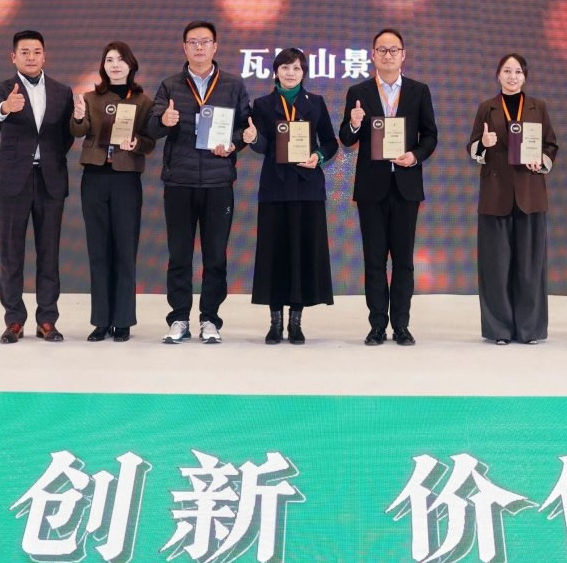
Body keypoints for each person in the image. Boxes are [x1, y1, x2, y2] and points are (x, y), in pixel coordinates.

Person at [146, 20, 251, 345]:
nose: (199, 47)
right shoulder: (170, 85)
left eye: (205, 41)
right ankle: (179, 318)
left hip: (218, 182)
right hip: (180, 181)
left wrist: (233, 143)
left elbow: (245, 127)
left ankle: (210, 319)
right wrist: (163, 120)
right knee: (179, 255)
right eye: (193, 42)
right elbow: (152, 128)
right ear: (184, 48)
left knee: (215, 256)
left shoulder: (232, 85)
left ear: (215, 47)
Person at [339, 28, 439, 347]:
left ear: (403, 55)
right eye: (381, 50)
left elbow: (430, 135)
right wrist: (354, 122)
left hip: (406, 185)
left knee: (404, 261)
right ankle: (377, 325)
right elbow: (346, 138)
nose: (388, 55)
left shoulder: (418, 90)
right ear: (372, 55)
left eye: (393, 50)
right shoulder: (359, 91)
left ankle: (402, 325)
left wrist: (415, 155)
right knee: (374, 260)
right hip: (372, 187)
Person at [242, 48, 340, 344]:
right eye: (285, 67)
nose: (290, 73)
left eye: (296, 68)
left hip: (307, 187)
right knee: (274, 253)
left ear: (303, 73)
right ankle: (275, 322)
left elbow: (331, 142)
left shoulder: (316, 102)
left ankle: (296, 322)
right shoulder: (262, 104)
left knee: (301, 253)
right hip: (275, 187)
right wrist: (253, 139)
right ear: (276, 71)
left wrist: (318, 156)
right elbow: (262, 146)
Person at [0, 30, 75, 344]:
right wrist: (6, 107)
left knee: (49, 253)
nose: (31, 57)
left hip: (50, 180)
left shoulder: (62, 91)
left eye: (36, 52)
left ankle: (47, 319)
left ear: (44, 56)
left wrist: (49, 159)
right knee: (11, 254)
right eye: (24, 52)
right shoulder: (2, 89)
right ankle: (14, 320)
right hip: (12, 182)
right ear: (14, 57)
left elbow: (67, 136)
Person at [466, 53, 558, 345]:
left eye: (517, 71)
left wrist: (541, 160)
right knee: (496, 266)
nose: (512, 76)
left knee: (530, 267)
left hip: (530, 193)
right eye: (507, 71)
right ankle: (499, 330)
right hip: (495, 196)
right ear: (498, 75)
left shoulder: (538, 107)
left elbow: (551, 145)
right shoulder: (487, 108)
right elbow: (472, 146)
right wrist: (483, 144)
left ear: (525, 77)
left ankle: (530, 330)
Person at [69, 42, 156, 342]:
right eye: (109, 60)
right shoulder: (90, 98)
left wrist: (137, 144)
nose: (115, 65)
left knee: (125, 250)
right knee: (98, 250)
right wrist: (77, 116)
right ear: (103, 66)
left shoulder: (143, 101)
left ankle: (123, 320)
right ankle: (101, 320)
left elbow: (150, 141)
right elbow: (78, 131)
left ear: (131, 65)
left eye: (120, 60)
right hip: (95, 177)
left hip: (126, 179)